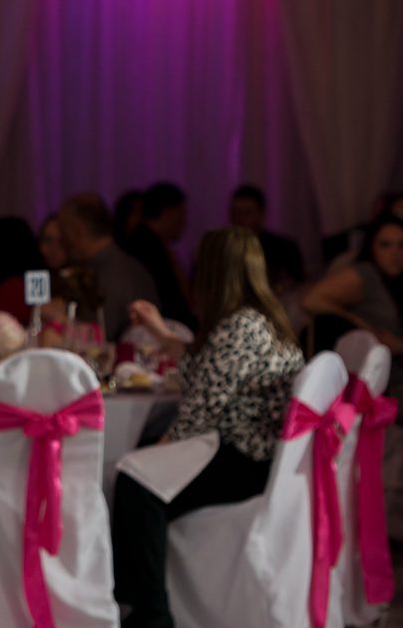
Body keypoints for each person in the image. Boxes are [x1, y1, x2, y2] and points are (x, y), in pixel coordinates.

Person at [113, 228, 304, 628]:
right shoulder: (260, 319)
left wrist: (161, 449)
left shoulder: (241, 326)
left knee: (135, 480)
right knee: (140, 461)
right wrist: (162, 333)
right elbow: (205, 371)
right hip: (259, 453)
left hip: (244, 461)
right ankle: (137, 597)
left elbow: (201, 410)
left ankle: (151, 614)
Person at [303, 213, 403, 401]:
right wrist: (364, 328)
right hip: (379, 382)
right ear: (371, 247)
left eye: (401, 245)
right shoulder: (366, 275)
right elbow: (312, 300)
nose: (395, 253)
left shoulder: (395, 282)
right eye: (385, 245)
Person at [57, 193, 158, 340]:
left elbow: (96, 337)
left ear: (77, 231)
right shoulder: (128, 265)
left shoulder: (109, 275)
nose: (62, 242)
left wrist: (59, 320)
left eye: (63, 233)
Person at [124, 183, 195, 328]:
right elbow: (173, 302)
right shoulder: (149, 248)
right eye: (182, 214)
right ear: (170, 213)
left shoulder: (139, 241)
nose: (184, 222)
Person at [228, 184, 304, 289]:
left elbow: (299, 286)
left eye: (246, 213)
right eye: (235, 213)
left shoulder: (283, 248)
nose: (239, 219)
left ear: (261, 213)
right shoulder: (218, 250)